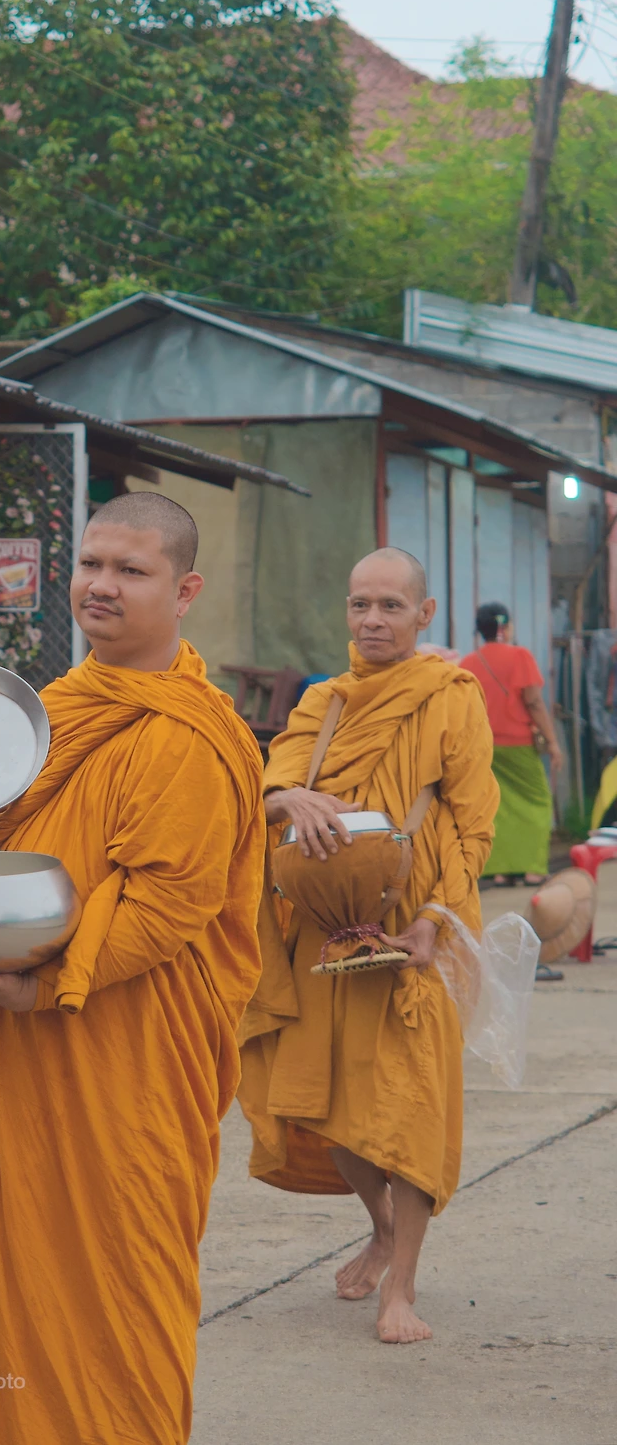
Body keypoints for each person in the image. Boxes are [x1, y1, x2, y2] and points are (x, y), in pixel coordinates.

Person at [0, 492, 267, 1445]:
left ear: (185, 588)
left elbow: (168, 903)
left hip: (118, 1055)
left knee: (113, 1282)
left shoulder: (192, 736)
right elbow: (0, 841)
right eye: (90, 564)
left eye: (132, 570)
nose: (101, 586)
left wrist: (44, 986)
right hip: (2, 1033)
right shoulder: (47, 714)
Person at [237, 547, 497, 1344]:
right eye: (360, 605)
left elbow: (473, 825)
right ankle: (380, 1228)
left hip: (417, 927)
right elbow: (269, 790)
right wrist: (289, 795)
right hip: (323, 928)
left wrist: (436, 922)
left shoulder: (452, 697)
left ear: (425, 614)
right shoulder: (326, 701)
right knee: (326, 1105)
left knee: (411, 1109)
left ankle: (403, 1290)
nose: (372, 620)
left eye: (390, 605)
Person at [459, 601, 562, 887]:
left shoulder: (468, 663)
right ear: (504, 627)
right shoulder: (520, 656)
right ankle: (532, 869)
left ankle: (500, 871)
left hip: (485, 746)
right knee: (538, 802)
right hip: (518, 743)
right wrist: (552, 742)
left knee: (497, 806)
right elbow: (533, 701)